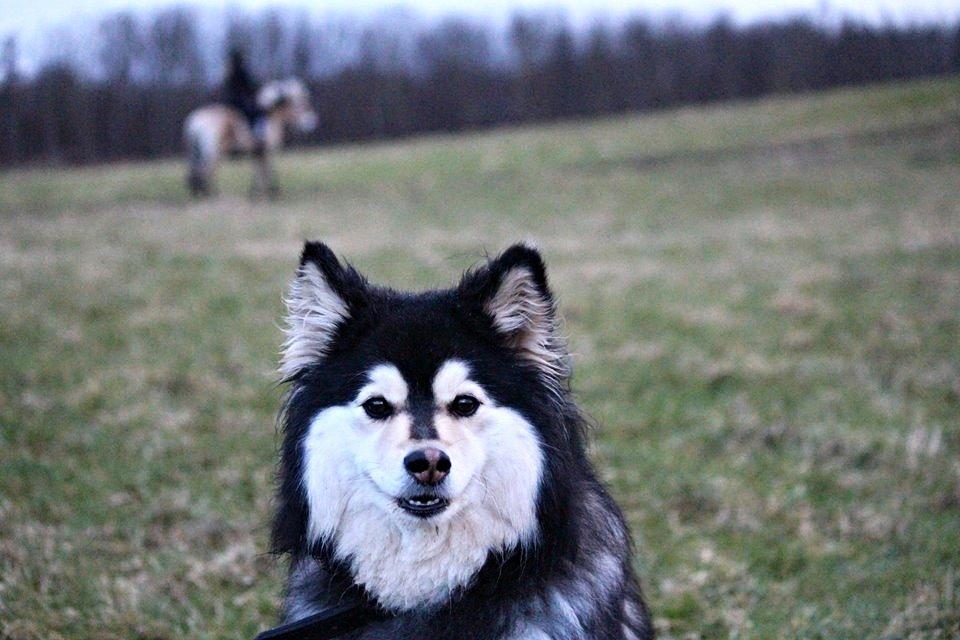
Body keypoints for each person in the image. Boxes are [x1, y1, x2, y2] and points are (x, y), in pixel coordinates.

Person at [222, 49, 266, 141]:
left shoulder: (227, 73)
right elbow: (248, 87)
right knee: (259, 113)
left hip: (227, 103)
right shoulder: (241, 72)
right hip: (239, 104)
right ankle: (258, 136)